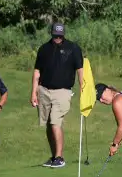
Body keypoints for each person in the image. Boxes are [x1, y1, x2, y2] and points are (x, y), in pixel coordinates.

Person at [30, 22, 84, 168]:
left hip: (63, 91)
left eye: (60, 36)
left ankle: (60, 157)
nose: (58, 39)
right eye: (55, 36)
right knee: (48, 124)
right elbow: (37, 72)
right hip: (44, 90)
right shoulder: (44, 49)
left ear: (63, 35)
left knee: (55, 122)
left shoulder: (73, 48)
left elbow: (80, 69)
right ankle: (54, 156)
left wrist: (82, 86)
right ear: (52, 34)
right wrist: (34, 92)